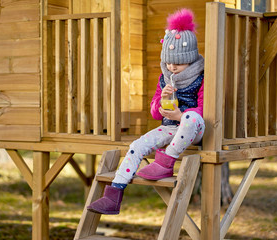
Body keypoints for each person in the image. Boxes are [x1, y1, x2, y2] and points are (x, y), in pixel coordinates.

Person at [87, 8, 205, 215]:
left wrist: (180, 116)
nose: (172, 67)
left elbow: (203, 109)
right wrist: (162, 102)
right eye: (168, 62)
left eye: (178, 63)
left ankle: (166, 161)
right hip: (170, 128)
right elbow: (154, 113)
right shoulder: (165, 78)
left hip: (194, 130)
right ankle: (114, 194)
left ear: (190, 59)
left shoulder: (201, 77)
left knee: (190, 116)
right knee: (137, 145)